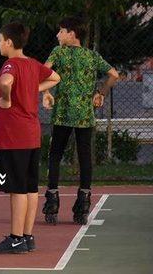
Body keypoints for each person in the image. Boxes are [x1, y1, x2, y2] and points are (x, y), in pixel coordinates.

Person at [0, 23, 60, 254]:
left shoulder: (10, 64)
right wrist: (32, 90)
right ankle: (28, 236)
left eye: (0, 39)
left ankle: (16, 238)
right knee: (30, 187)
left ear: (9, 42)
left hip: (14, 136)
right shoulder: (32, 64)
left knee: (17, 189)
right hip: (31, 134)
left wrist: (7, 99)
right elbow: (55, 78)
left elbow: (5, 82)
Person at [41, 17, 119, 225]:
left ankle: (52, 201)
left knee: (55, 155)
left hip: (62, 114)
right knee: (85, 157)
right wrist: (100, 92)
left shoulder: (58, 52)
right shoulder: (92, 55)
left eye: (61, 31)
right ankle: (83, 203)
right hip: (85, 115)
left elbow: (42, 72)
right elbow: (113, 74)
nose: (58, 35)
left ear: (72, 33)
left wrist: (46, 92)